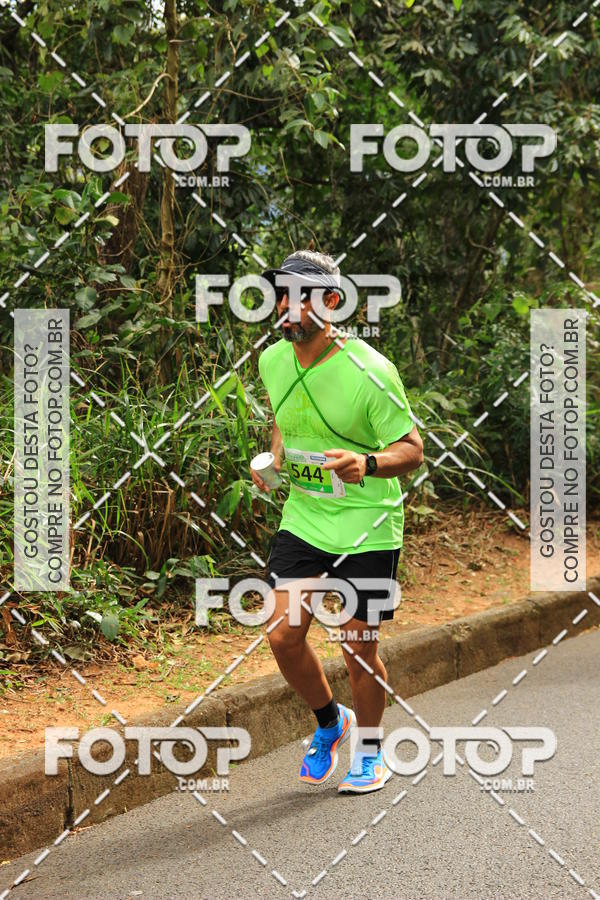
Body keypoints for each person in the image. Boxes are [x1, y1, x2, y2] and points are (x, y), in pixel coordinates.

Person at [251, 249, 424, 793]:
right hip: (305, 516)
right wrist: (276, 457)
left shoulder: (371, 371)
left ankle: (369, 752)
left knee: (358, 646)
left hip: (368, 522)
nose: (285, 306)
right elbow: (285, 417)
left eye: (298, 296)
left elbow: (412, 449)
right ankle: (331, 721)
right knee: (282, 635)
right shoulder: (273, 361)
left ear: (330, 301)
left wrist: (366, 463)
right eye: (280, 295)